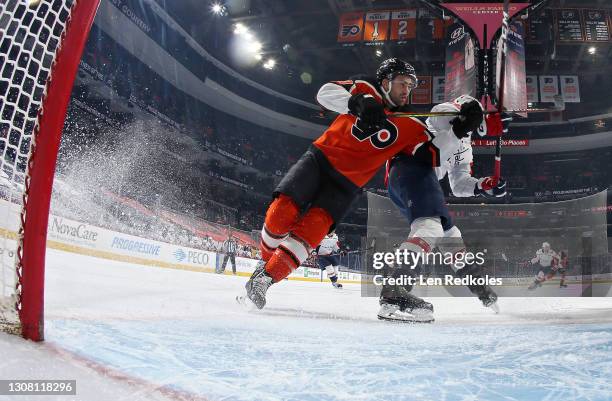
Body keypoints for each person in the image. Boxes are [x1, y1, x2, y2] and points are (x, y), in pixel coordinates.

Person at [239, 59, 455, 310]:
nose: (407, 89)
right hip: (320, 160)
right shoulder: (365, 87)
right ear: (385, 82)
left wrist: (458, 130)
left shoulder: (414, 124)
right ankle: (263, 266)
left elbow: (434, 160)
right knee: (282, 212)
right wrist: (356, 102)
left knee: (309, 234)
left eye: (410, 85)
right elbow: (324, 93)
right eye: (402, 83)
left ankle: (264, 280)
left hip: (347, 186)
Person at [316, 58, 506, 322]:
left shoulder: (466, 146)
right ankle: (393, 293)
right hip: (411, 167)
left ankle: (482, 291)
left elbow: (460, 184)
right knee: (429, 229)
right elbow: (442, 123)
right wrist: (468, 116)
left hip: (425, 180)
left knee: (451, 237)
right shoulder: (452, 111)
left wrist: (484, 186)